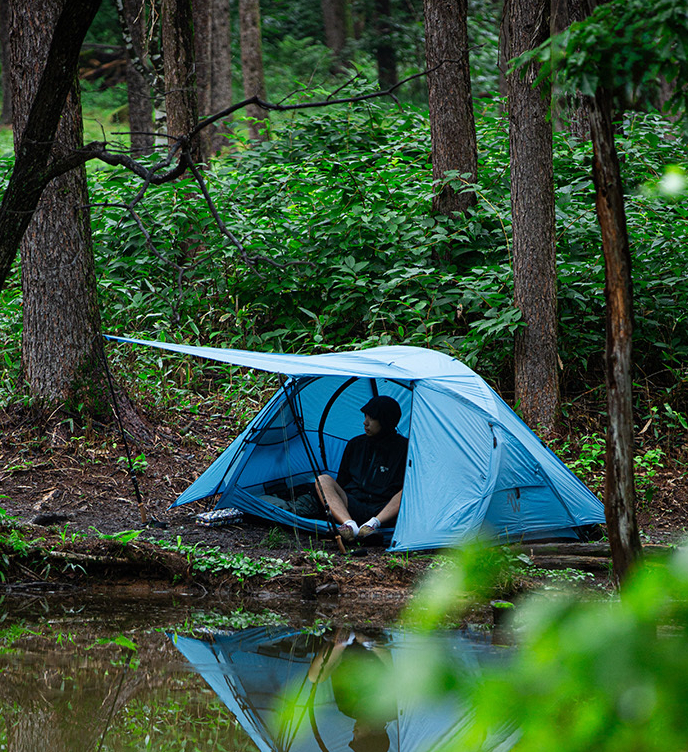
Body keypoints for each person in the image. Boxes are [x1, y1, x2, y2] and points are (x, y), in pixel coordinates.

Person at [315, 395, 408, 542]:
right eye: (365, 417)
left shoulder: (405, 449)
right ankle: (349, 526)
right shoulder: (356, 444)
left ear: (385, 420)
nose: (365, 423)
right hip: (354, 505)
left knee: (410, 486)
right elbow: (342, 483)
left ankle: (371, 526)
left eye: (371, 418)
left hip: (384, 510)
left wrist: (378, 518)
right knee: (323, 480)